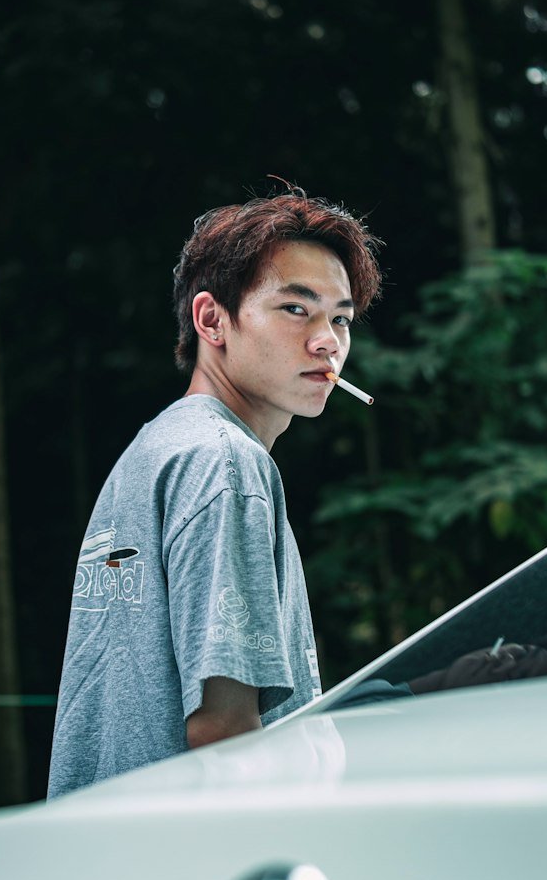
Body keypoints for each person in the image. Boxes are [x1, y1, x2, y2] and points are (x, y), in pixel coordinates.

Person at [47, 184, 379, 797]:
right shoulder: (226, 464)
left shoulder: (158, 449)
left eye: (340, 318)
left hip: (106, 845)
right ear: (212, 320)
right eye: (296, 309)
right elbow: (226, 734)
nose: (328, 341)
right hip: (191, 852)